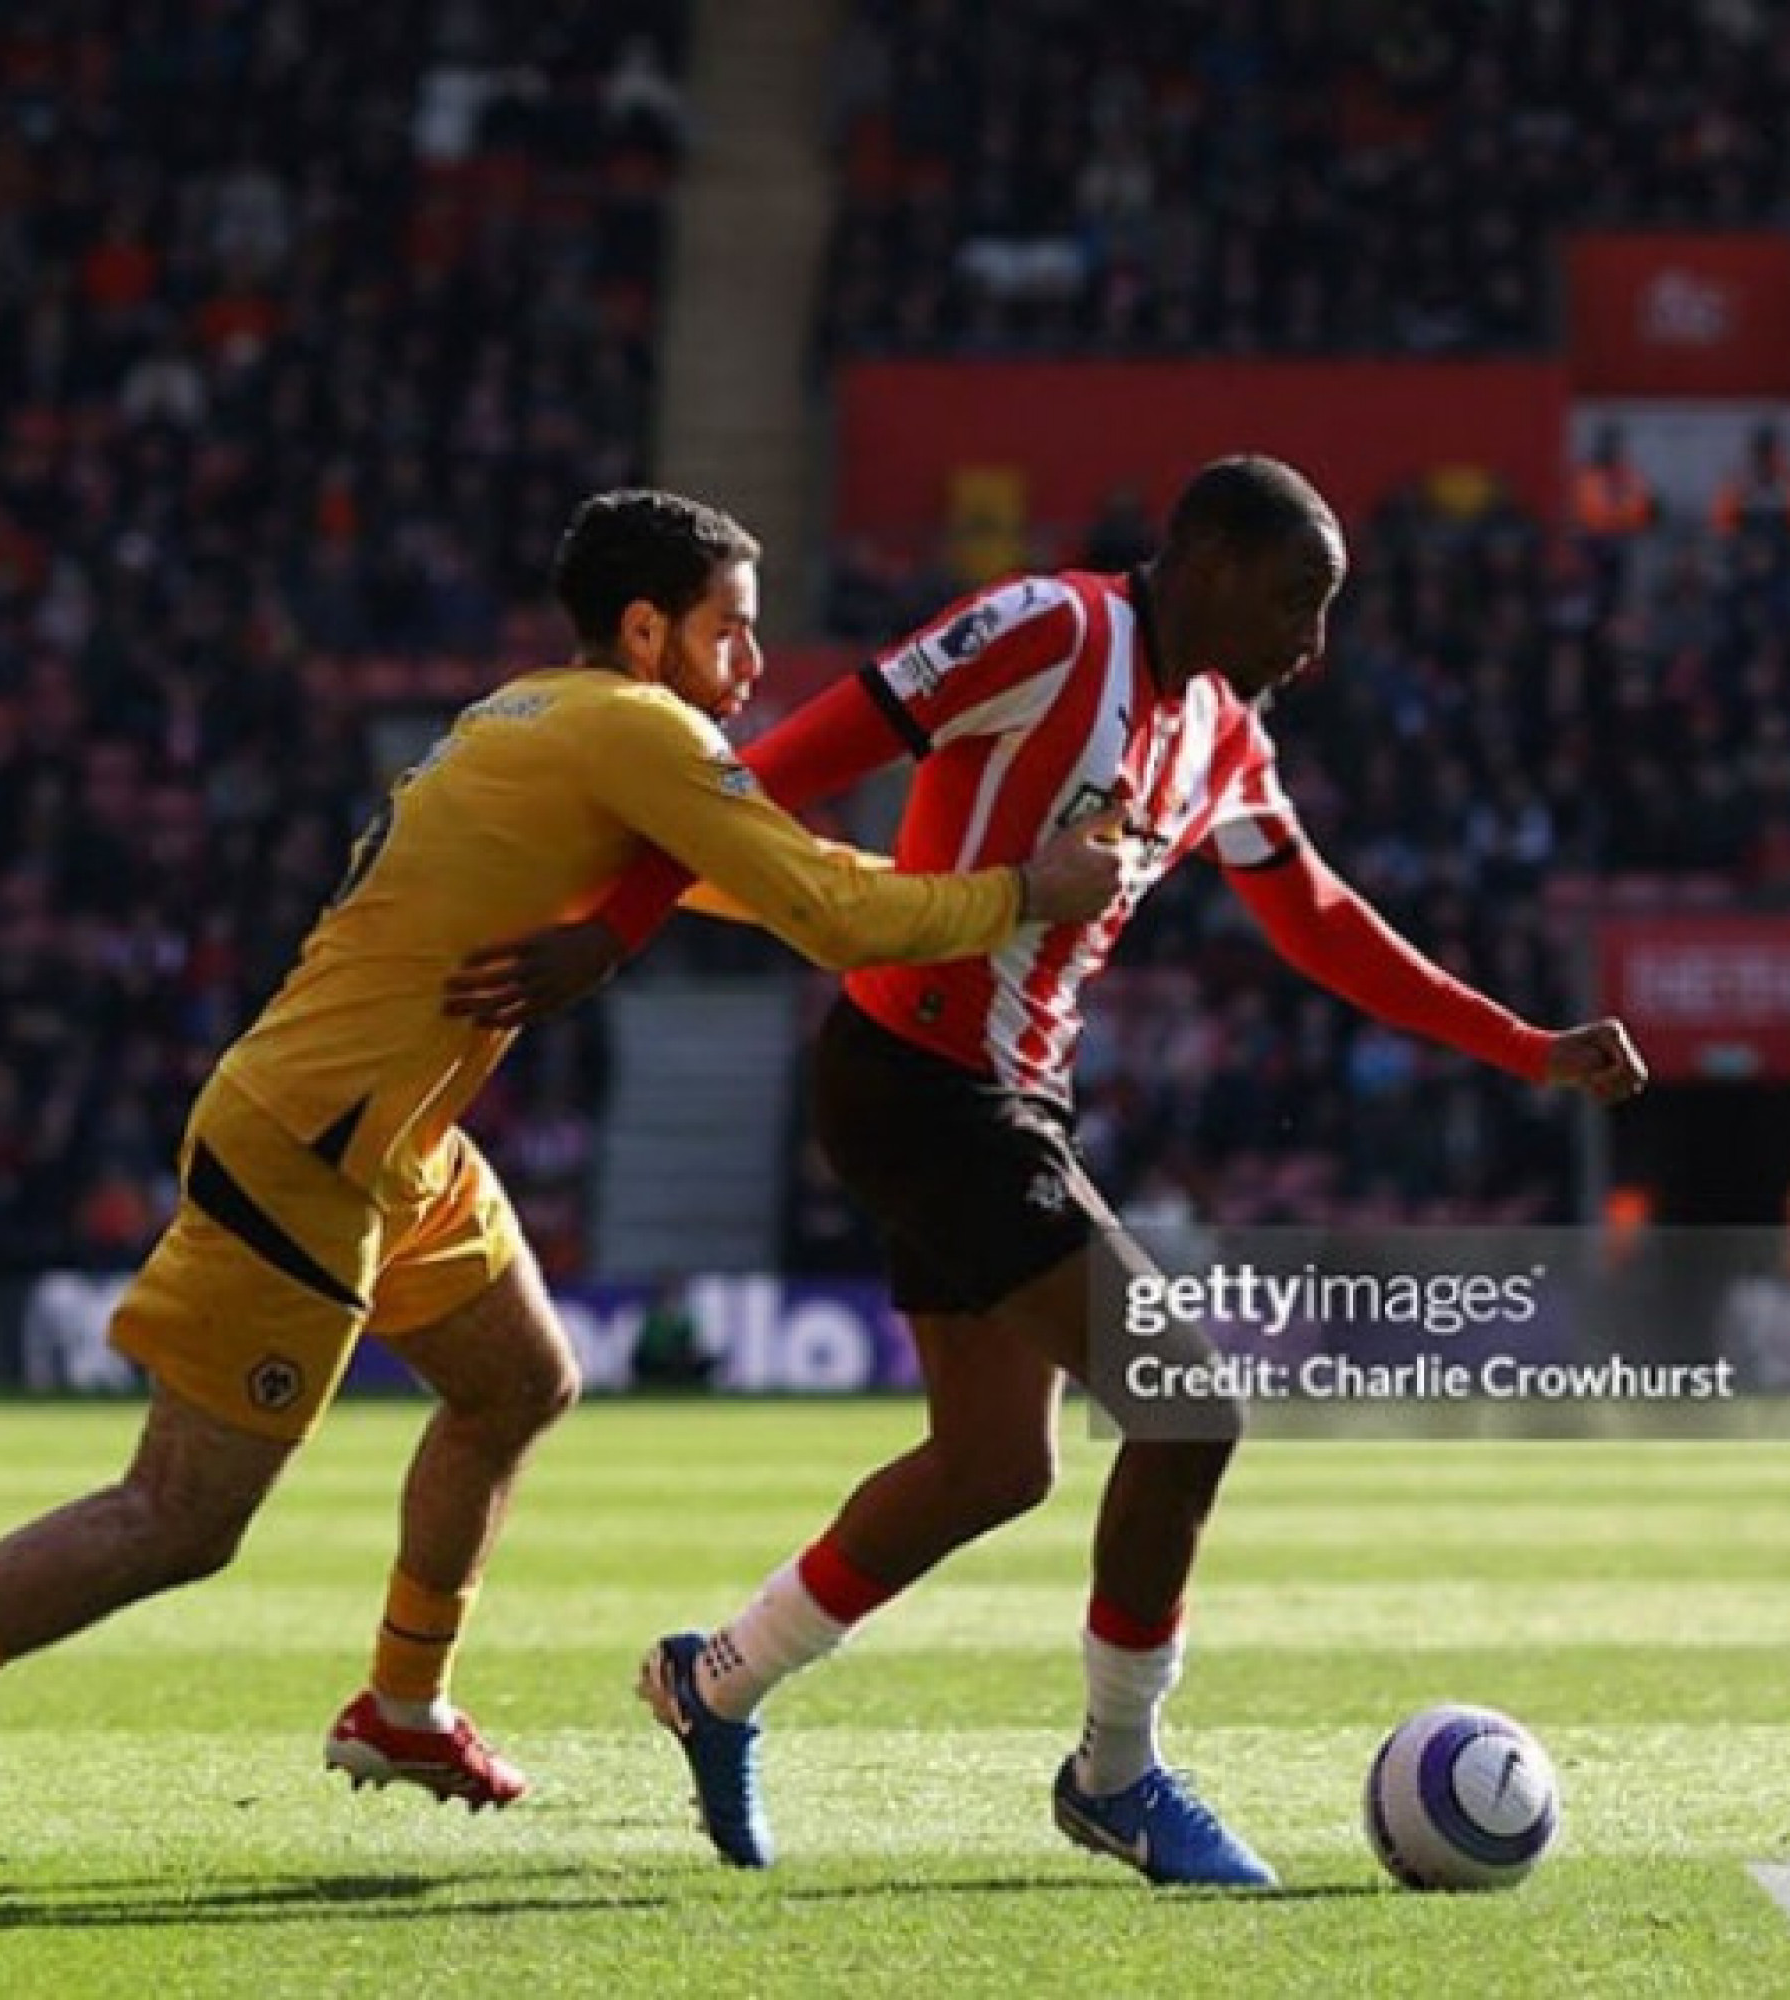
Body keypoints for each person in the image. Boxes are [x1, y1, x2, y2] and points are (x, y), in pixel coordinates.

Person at [0, 488, 1132, 1872]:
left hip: (394, 1144)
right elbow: (823, 911)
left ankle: (403, 1703)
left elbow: (747, 878)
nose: (750, 667)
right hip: (312, 1146)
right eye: (732, 633)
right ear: (645, 627)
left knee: (518, 1384)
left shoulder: (529, 712)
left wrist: (910, 886)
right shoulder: (636, 726)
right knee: (176, 1519)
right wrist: (1027, 890)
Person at [445, 456, 1650, 1887]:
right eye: (1292, 603)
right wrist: (618, 929)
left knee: (992, 1464)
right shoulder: (1050, 629)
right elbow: (769, 772)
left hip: (1005, 1096)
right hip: (922, 1089)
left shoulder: (1226, 735)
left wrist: (1520, 1044)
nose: (1310, 645)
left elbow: (1318, 917)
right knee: (1190, 1406)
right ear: (1198, 557)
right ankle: (1116, 1774)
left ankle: (714, 1683)